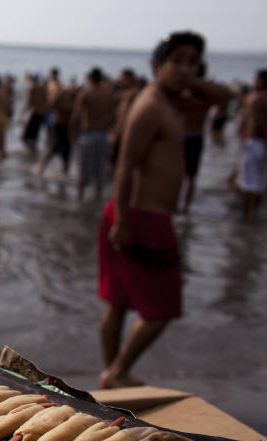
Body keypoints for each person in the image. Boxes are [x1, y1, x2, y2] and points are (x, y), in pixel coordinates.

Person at [98, 31, 225, 388]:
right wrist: (123, 220)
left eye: (193, 62)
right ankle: (117, 370)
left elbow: (225, 97)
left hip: (137, 215)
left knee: (119, 302)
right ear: (158, 65)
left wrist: (186, 78)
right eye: (178, 61)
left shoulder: (173, 100)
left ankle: (112, 375)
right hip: (139, 216)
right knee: (164, 308)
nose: (186, 68)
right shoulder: (152, 106)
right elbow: (125, 166)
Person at [174, 63, 230, 212]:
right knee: (184, 175)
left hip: (190, 137)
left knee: (186, 175)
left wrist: (195, 82)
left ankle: (182, 205)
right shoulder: (201, 98)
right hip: (189, 137)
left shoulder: (191, 96)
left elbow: (226, 94)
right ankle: (182, 206)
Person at [73, 67, 116, 201]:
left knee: (83, 167)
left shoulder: (86, 94)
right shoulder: (108, 95)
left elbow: (76, 115)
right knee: (100, 166)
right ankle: (98, 197)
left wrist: (72, 132)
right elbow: (113, 115)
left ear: (90, 79)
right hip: (103, 134)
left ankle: (79, 198)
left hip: (88, 133)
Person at [238, 69, 267, 218]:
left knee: (248, 181)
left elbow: (244, 122)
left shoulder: (254, 98)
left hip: (253, 142)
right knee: (261, 181)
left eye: (256, 79)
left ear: (261, 81)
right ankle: (254, 213)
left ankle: (247, 214)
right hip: (262, 142)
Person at [22, 74, 47, 155]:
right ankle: (33, 151)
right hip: (42, 114)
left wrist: (23, 113)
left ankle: (32, 151)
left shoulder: (32, 88)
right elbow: (46, 101)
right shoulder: (43, 88)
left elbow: (29, 102)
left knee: (25, 137)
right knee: (34, 135)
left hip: (34, 113)